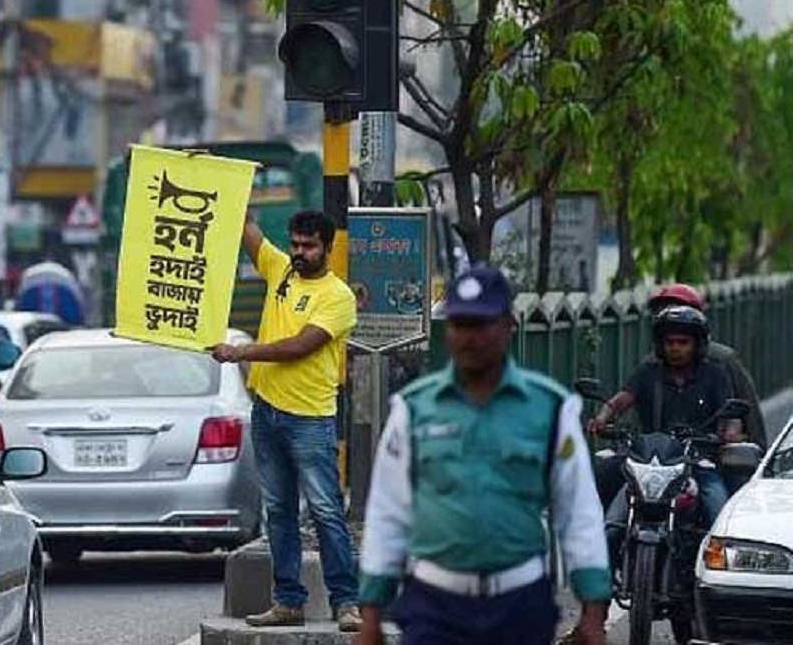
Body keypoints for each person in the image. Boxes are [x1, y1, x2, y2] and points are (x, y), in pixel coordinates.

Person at [357, 265, 610, 645]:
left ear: (509, 326)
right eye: (460, 324)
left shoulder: (551, 408)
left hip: (519, 604)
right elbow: (387, 513)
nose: (469, 337)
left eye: (481, 324)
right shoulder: (413, 409)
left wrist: (593, 609)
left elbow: (578, 513)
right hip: (433, 605)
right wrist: (371, 612)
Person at [210, 210, 361, 632]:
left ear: (329, 248)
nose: (299, 252)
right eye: (295, 243)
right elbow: (247, 229)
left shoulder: (338, 296)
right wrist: (224, 181)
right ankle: (287, 602)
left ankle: (346, 602)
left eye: (309, 245)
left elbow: (299, 347)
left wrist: (240, 353)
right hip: (268, 411)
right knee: (278, 511)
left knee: (326, 511)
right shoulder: (280, 269)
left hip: (310, 418)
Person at [588, 305, 739, 564]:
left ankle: (712, 579)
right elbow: (621, 400)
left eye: (683, 342)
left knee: (719, 516)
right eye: (669, 342)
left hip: (697, 463)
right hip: (648, 463)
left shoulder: (715, 375)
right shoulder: (648, 373)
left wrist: (730, 435)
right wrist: (602, 419)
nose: (675, 348)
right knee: (611, 526)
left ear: (697, 344)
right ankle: (604, 580)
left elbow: (731, 418)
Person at [645, 284, 766, 449]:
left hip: (711, 452)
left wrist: (757, 450)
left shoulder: (722, 359)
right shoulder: (651, 364)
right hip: (661, 455)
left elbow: (747, 405)